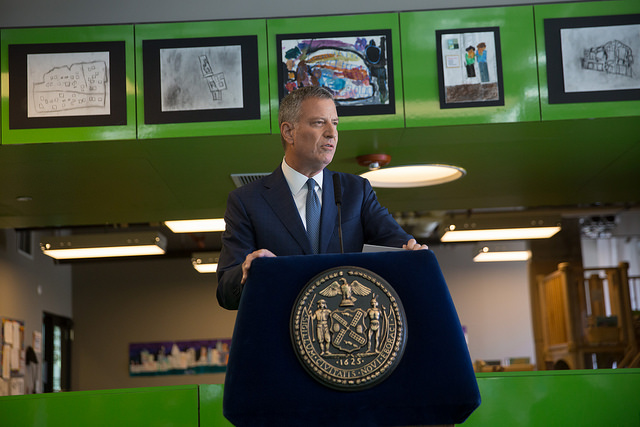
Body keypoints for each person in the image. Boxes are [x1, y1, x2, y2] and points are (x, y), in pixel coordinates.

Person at [216, 86, 427, 310]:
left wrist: (413, 253)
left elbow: (399, 245)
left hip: (348, 334)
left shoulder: (357, 190)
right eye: (319, 123)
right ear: (289, 132)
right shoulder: (247, 201)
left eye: (334, 123)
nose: (332, 133)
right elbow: (225, 293)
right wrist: (248, 270)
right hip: (283, 336)